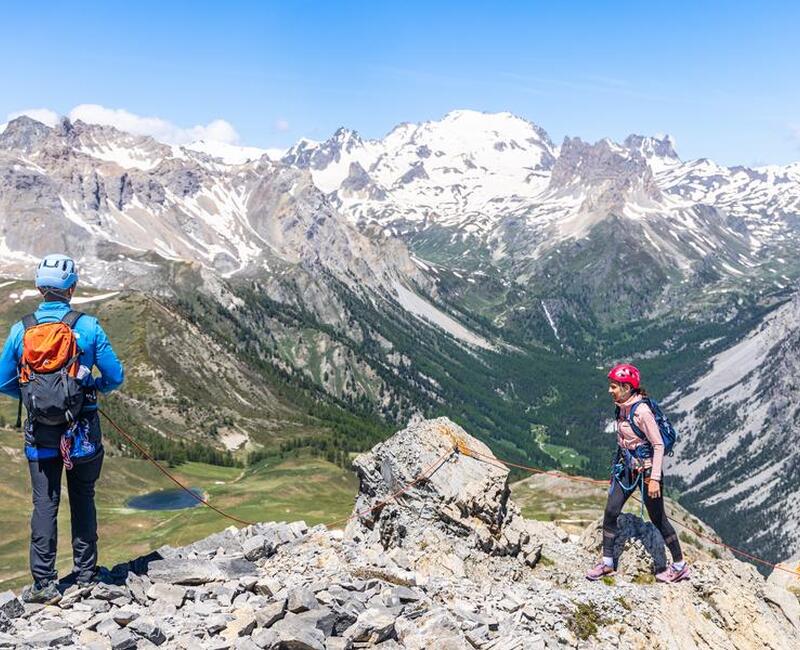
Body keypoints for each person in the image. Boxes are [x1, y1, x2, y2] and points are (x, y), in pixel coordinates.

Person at [0, 254, 124, 604]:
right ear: (72, 288)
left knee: (45, 502)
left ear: (40, 287)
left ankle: (44, 584)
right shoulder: (88, 327)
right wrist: (93, 387)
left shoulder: (20, 330)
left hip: (39, 430)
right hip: (82, 427)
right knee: (83, 497)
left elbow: (3, 381)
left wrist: (31, 395)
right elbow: (115, 377)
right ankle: (86, 575)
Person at [586, 363, 689, 583]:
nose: (609, 390)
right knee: (611, 511)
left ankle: (679, 565)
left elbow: (658, 445)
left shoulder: (641, 411)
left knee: (658, 517)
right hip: (627, 468)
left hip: (647, 470)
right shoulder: (621, 406)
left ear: (626, 387)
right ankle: (607, 563)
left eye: (614, 386)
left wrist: (654, 479)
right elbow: (624, 442)